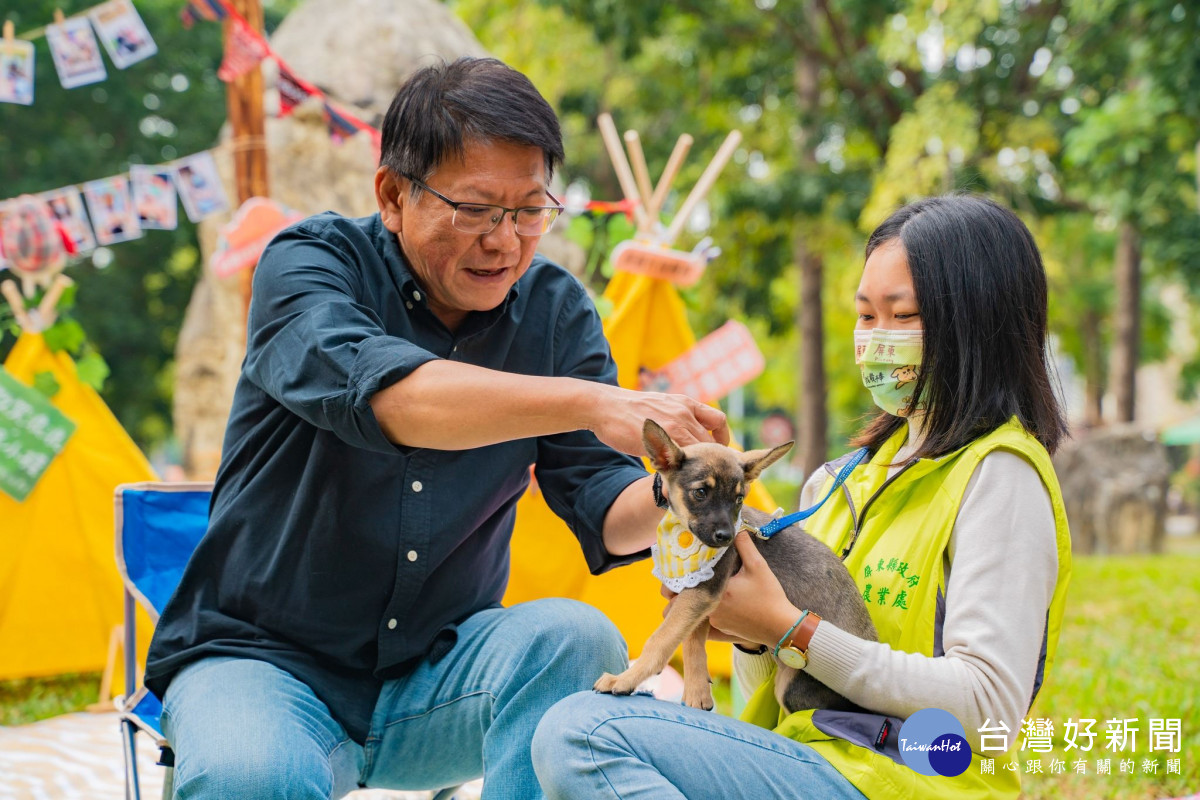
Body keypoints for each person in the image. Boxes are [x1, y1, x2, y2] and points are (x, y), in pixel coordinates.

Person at [144, 57, 728, 800]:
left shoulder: (556, 310)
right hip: (264, 663)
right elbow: (394, 400)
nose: (504, 241)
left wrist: (689, 485)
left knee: (576, 638)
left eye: (527, 211)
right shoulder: (309, 266)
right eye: (476, 209)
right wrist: (592, 402)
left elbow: (604, 507)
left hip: (439, 676)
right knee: (252, 777)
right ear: (392, 194)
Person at [532, 194, 1073, 800]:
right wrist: (747, 628)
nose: (876, 339)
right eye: (866, 316)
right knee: (563, 695)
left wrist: (795, 631)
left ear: (977, 324)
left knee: (583, 732)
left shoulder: (1001, 476)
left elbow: (987, 704)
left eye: (903, 315)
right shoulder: (836, 483)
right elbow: (766, 679)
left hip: (911, 779)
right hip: (803, 755)